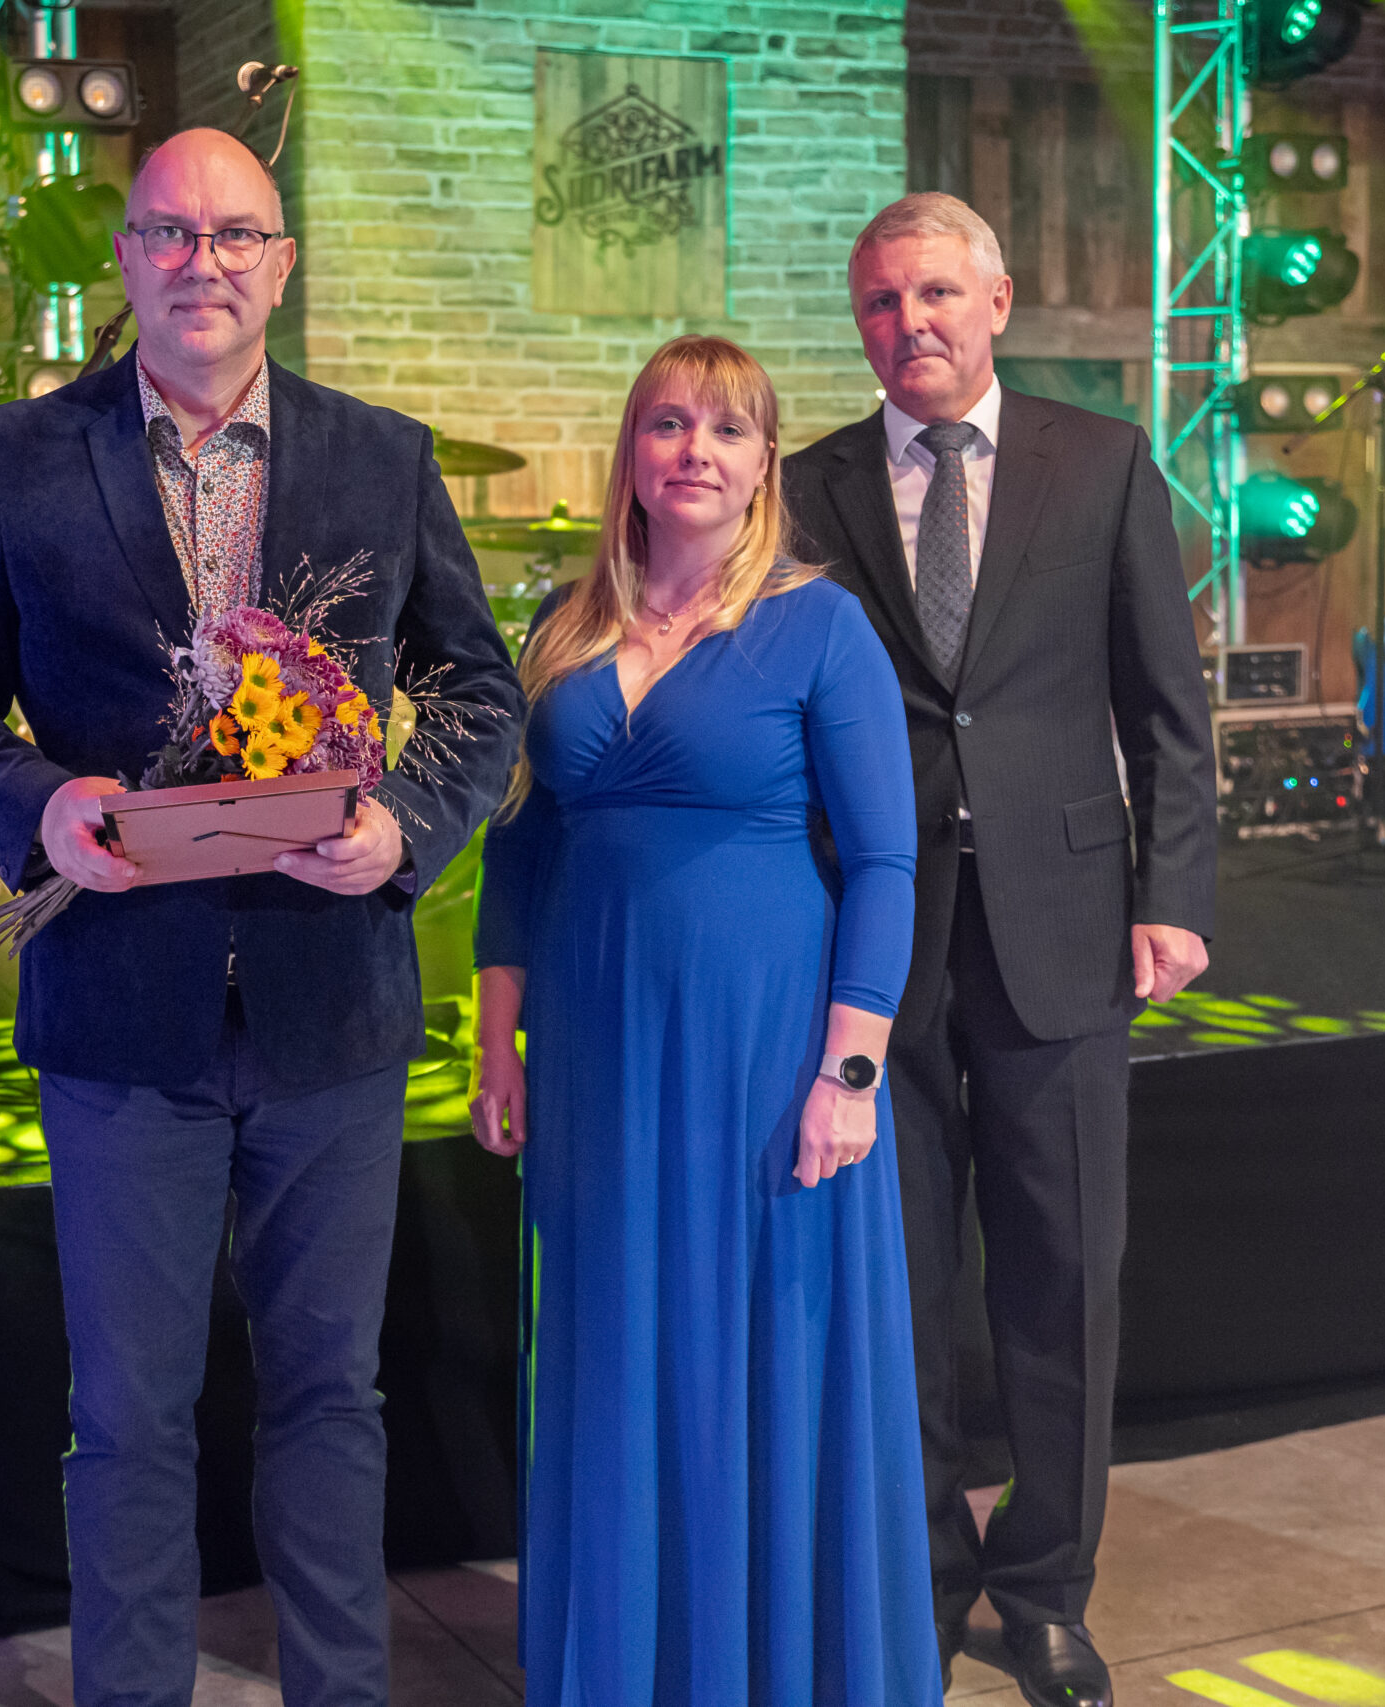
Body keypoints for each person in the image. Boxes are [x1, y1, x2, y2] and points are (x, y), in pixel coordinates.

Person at [0, 127, 520, 1707]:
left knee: (332, 1399)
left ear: (280, 265)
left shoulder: (381, 457)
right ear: (127, 261)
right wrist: (35, 806)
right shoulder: (19, 457)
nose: (203, 263)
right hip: (118, 1014)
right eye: (169, 233)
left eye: (237, 235)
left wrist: (406, 826)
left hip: (333, 1013)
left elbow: (477, 690)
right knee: (126, 1416)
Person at [783, 193, 1217, 1705]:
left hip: (1066, 926)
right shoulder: (806, 488)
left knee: (1063, 1276)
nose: (912, 322)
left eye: (938, 294)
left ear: (999, 302)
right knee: (898, 1282)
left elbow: (1165, 702)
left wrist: (1176, 894)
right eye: (883, 301)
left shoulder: (1099, 461)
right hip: (871, 937)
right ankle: (921, 1579)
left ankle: (1045, 1591)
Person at [468, 335, 939, 1703]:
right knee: (618, 1347)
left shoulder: (819, 625)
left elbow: (887, 862)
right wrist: (496, 1040)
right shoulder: (564, 628)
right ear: (631, 452)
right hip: (598, 1051)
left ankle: (775, 1666)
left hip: (764, 1048)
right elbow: (519, 853)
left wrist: (850, 1073)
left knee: (759, 1351)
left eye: (727, 430)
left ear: (763, 463)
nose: (694, 452)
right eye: (668, 424)